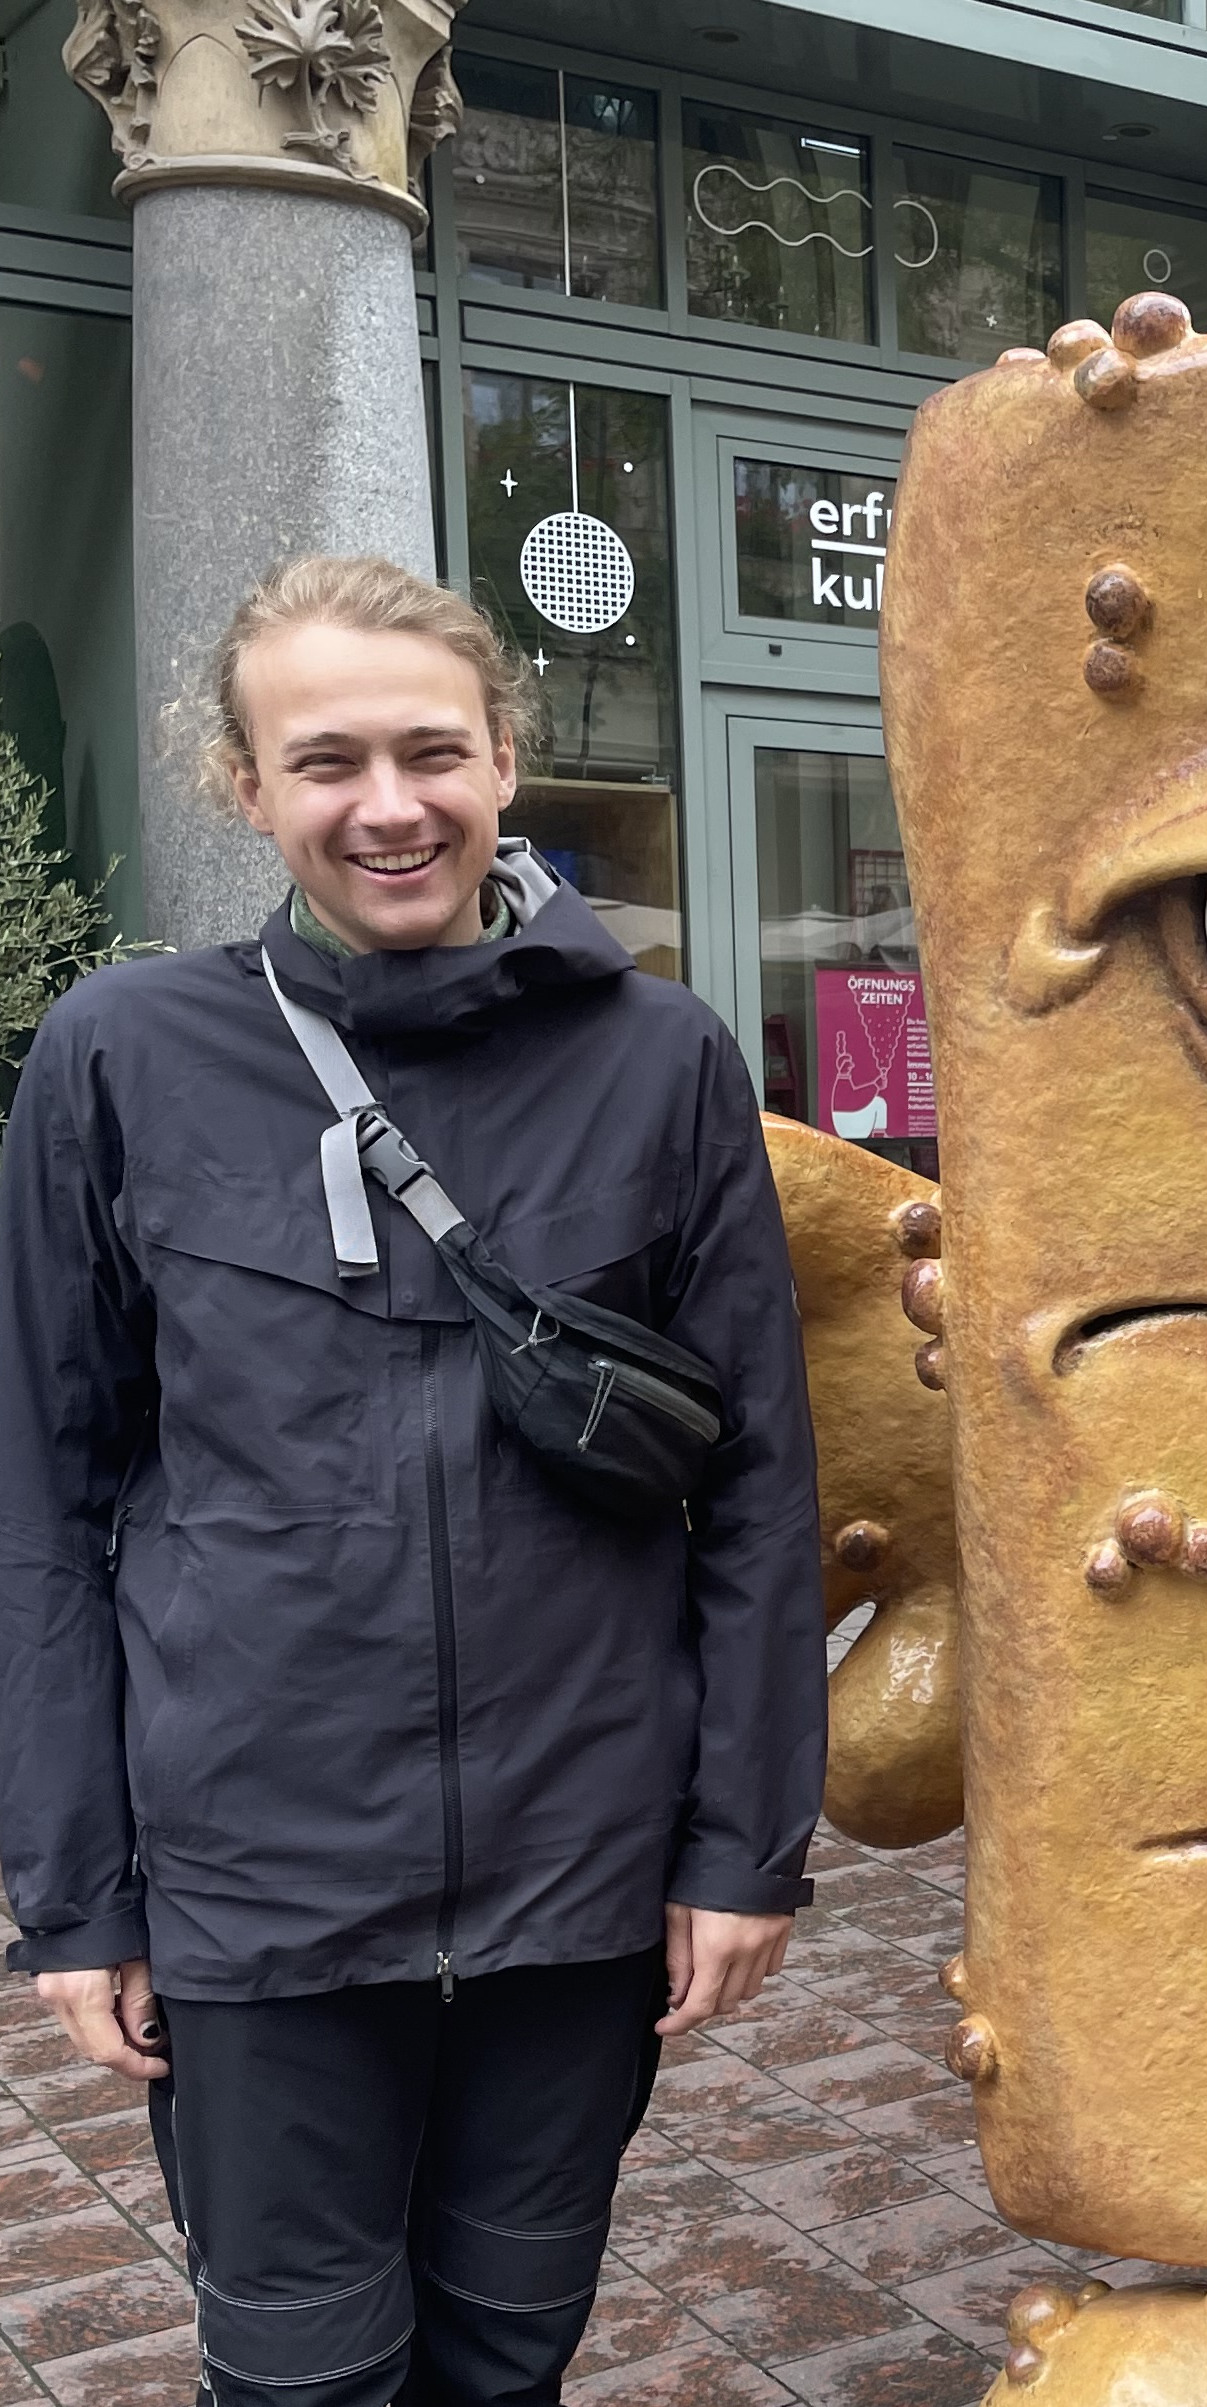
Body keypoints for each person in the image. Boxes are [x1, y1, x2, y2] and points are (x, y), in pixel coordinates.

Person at [0, 556, 828, 2406]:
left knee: (509, 2348)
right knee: (300, 2373)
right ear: (247, 786)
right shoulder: (121, 1058)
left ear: (507, 760)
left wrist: (739, 1846)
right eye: (326, 762)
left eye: (432, 751)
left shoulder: (662, 1064)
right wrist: (75, 1891)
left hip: (578, 1872)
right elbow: (42, 1500)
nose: (390, 806)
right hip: (253, 1884)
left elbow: (762, 1488)